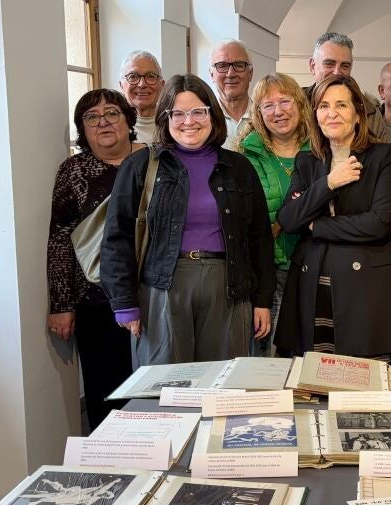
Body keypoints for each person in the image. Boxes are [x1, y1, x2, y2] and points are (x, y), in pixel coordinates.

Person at [101, 74, 275, 366]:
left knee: (224, 385)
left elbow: (259, 238)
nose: (188, 121)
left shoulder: (238, 167)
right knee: (164, 386)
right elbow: (116, 237)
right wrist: (124, 302)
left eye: (198, 112)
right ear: (165, 118)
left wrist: (263, 300)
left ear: (212, 115)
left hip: (229, 285)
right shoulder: (140, 166)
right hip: (162, 287)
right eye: (177, 113)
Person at [274, 74, 391, 358]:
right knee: (312, 387)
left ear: (358, 114)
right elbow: (289, 220)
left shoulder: (383, 156)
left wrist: (316, 225)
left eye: (341, 105)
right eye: (324, 106)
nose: (332, 113)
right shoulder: (307, 161)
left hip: (363, 292)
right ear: (315, 115)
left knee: (361, 389)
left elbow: (379, 223)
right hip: (312, 287)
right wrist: (329, 184)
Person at [47, 89, 140, 430]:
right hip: (96, 300)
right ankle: (112, 467)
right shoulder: (74, 171)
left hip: (154, 293)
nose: (103, 122)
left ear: (128, 120)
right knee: (106, 390)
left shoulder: (155, 160)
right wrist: (61, 303)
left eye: (112, 113)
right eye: (91, 117)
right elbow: (60, 238)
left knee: (155, 386)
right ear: (82, 129)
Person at [237, 73, 312, 357]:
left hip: (313, 270)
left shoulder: (321, 150)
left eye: (285, 101)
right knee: (269, 361)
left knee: (311, 363)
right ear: (258, 113)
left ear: (300, 104)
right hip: (267, 273)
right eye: (268, 105)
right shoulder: (245, 156)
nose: (278, 111)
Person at [304, 32, 386, 142]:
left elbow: (381, 155)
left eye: (345, 66)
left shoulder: (369, 112)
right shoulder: (295, 104)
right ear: (313, 66)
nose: (337, 72)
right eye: (329, 64)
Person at [209, 40, 254, 149]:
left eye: (239, 65)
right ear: (212, 74)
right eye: (222, 66)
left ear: (250, 73)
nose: (230, 74)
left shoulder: (266, 117)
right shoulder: (202, 120)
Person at [117, 51, 164, 143]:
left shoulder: (176, 122)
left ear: (162, 85)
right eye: (133, 77)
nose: (142, 84)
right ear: (121, 85)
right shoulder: (111, 126)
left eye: (151, 76)